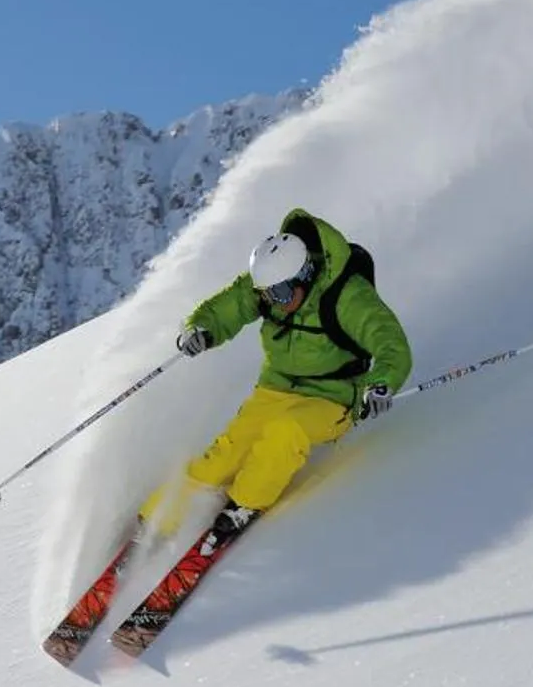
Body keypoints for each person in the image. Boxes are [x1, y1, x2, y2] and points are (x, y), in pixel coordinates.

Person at [163, 207, 412, 542]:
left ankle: (244, 503)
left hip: (335, 397)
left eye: (279, 294)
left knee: (285, 433)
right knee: (224, 454)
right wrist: (200, 329)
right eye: (266, 294)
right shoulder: (272, 284)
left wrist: (380, 383)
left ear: (305, 275)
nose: (273, 303)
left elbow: (390, 342)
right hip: (276, 388)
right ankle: (156, 521)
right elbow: (229, 306)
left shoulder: (347, 296)